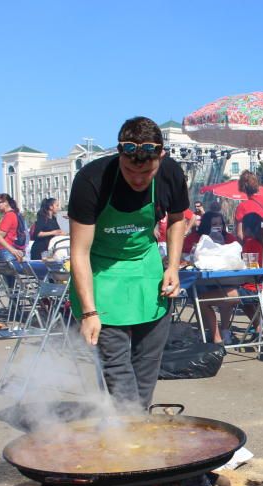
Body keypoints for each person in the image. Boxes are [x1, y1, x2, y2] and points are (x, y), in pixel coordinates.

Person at [68, 116, 188, 408]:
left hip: (146, 272)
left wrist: (172, 266)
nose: (137, 179)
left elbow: (176, 219)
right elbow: (79, 253)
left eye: (146, 172)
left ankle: (135, 428)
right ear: (120, 155)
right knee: (116, 368)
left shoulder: (171, 172)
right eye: (130, 170)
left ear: (160, 156)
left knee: (147, 366)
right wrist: (88, 312)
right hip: (102, 274)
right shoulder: (91, 180)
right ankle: (127, 432)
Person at [0, 194, 26, 263]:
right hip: (11, 249)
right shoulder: (14, 214)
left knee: (8, 273)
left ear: (5, 202)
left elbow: (1, 234)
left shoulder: (9, 216)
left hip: (6, 250)